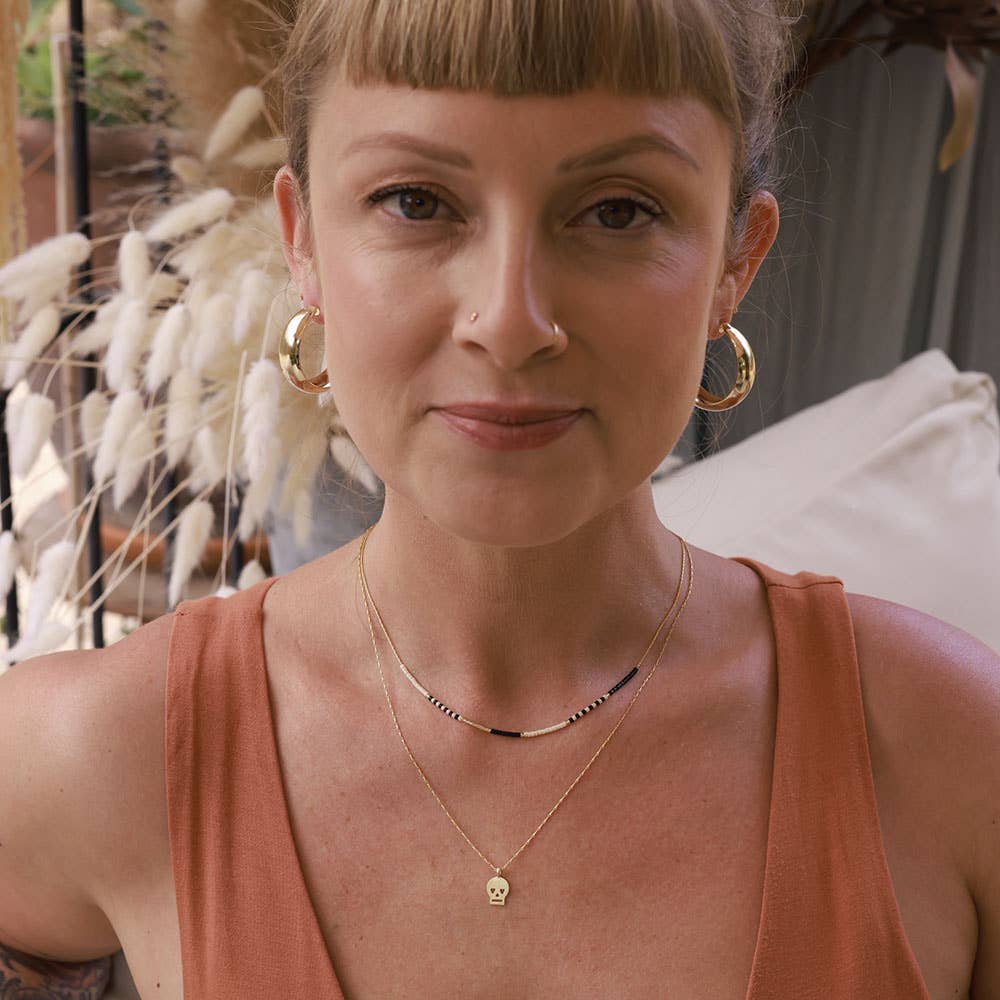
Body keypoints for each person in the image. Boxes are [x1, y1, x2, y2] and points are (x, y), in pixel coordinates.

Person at [1, 0, 998, 996]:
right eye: (416, 202)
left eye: (619, 210)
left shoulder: (952, 760)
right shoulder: (99, 756)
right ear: (301, 239)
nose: (511, 320)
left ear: (736, 259)